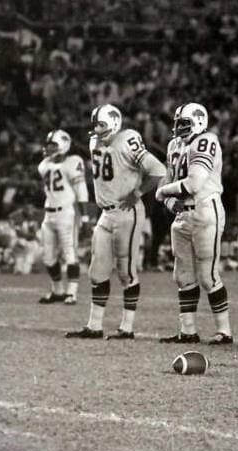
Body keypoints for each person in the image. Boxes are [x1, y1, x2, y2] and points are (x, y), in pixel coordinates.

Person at [66, 104, 166, 340]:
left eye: (101, 124)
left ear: (113, 122)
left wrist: (138, 192)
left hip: (127, 212)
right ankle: (94, 326)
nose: (97, 129)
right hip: (106, 213)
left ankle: (127, 328)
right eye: (96, 125)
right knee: (97, 269)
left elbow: (158, 169)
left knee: (126, 270)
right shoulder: (95, 142)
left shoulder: (128, 139)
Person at [155, 103, 233, 345]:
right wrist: (168, 202)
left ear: (199, 122)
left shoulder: (206, 140)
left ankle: (225, 331)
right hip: (182, 214)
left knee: (208, 275)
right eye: (177, 123)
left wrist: (161, 193)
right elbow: (169, 181)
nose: (178, 128)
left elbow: (194, 183)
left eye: (184, 123)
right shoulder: (174, 145)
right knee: (182, 275)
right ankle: (187, 331)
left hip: (205, 210)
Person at [37, 129, 89, 304]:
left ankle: (72, 292)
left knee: (69, 253)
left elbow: (81, 191)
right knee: (48, 256)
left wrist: (85, 217)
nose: (49, 148)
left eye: (53, 145)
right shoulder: (44, 165)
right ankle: (57, 290)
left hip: (66, 212)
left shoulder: (73, 162)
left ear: (64, 145)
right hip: (48, 214)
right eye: (48, 145)